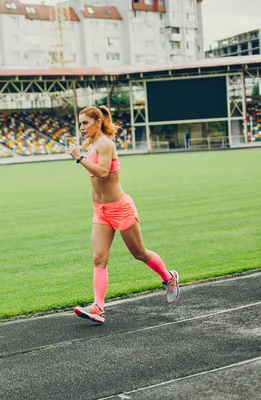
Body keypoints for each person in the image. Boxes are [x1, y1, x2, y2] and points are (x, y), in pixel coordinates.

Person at [67, 105, 179, 324]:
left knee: (139, 253)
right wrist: (83, 157)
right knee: (99, 258)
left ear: (97, 122)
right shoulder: (91, 146)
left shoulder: (105, 144)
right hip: (101, 212)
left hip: (120, 208)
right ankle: (98, 307)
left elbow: (103, 172)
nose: (81, 127)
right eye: (80, 123)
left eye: (85, 123)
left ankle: (169, 277)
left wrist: (79, 158)